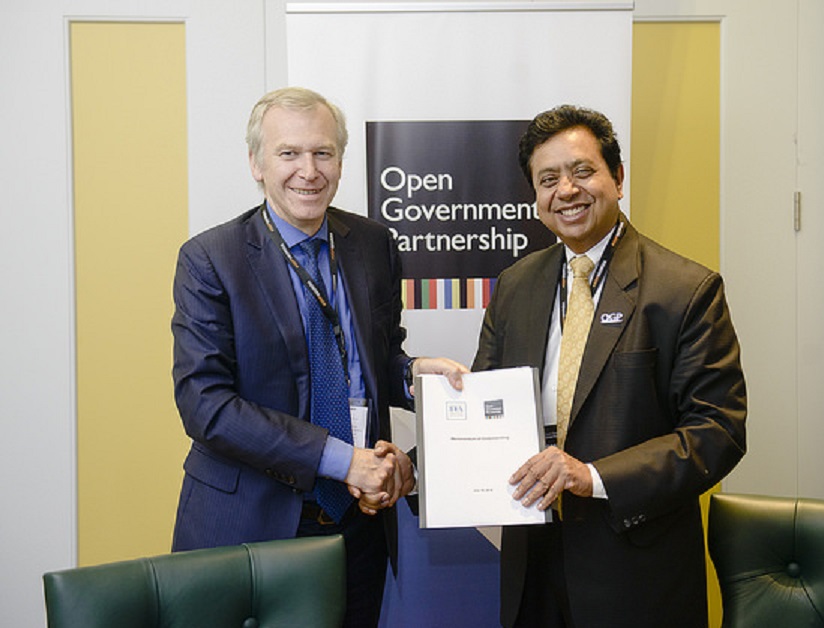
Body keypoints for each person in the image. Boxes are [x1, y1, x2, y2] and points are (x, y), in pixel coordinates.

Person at [170, 86, 467, 627]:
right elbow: (204, 404)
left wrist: (414, 373)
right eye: (289, 153)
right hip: (251, 525)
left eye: (323, 153)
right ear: (257, 164)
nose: (309, 170)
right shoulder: (211, 259)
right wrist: (341, 459)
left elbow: (370, 358)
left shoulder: (372, 243)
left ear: (340, 161)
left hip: (358, 522)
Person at [472, 105, 747, 627]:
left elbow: (718, 431)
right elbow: (488, 406)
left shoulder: (685, 290)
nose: (567, 191)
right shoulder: (515, 286)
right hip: (532, 563)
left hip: (636, 572)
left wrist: (591, 475)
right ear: (535, 198)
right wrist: (416, 464)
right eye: (547, 179)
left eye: (582, 171)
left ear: (617, 178)